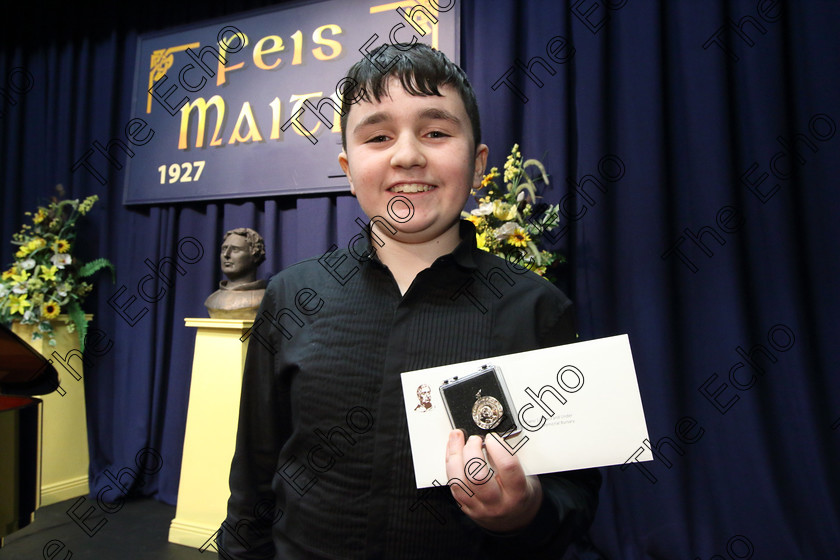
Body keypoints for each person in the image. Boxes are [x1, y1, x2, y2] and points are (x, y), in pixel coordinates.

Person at [218, 43, 601, 559]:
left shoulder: (538, 310)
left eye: (436, 132)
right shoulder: (291, 296)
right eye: (378, 137)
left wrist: (525, 511)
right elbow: (254, 478)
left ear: (478, 161)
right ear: (348, 169)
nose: (407, 155)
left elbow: (575, 496)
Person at [204, 228, 267, 319]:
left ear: (255, 255)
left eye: (235, 249)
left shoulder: (265, 299)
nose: (226, 254)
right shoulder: (212, 299)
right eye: (224, 249)